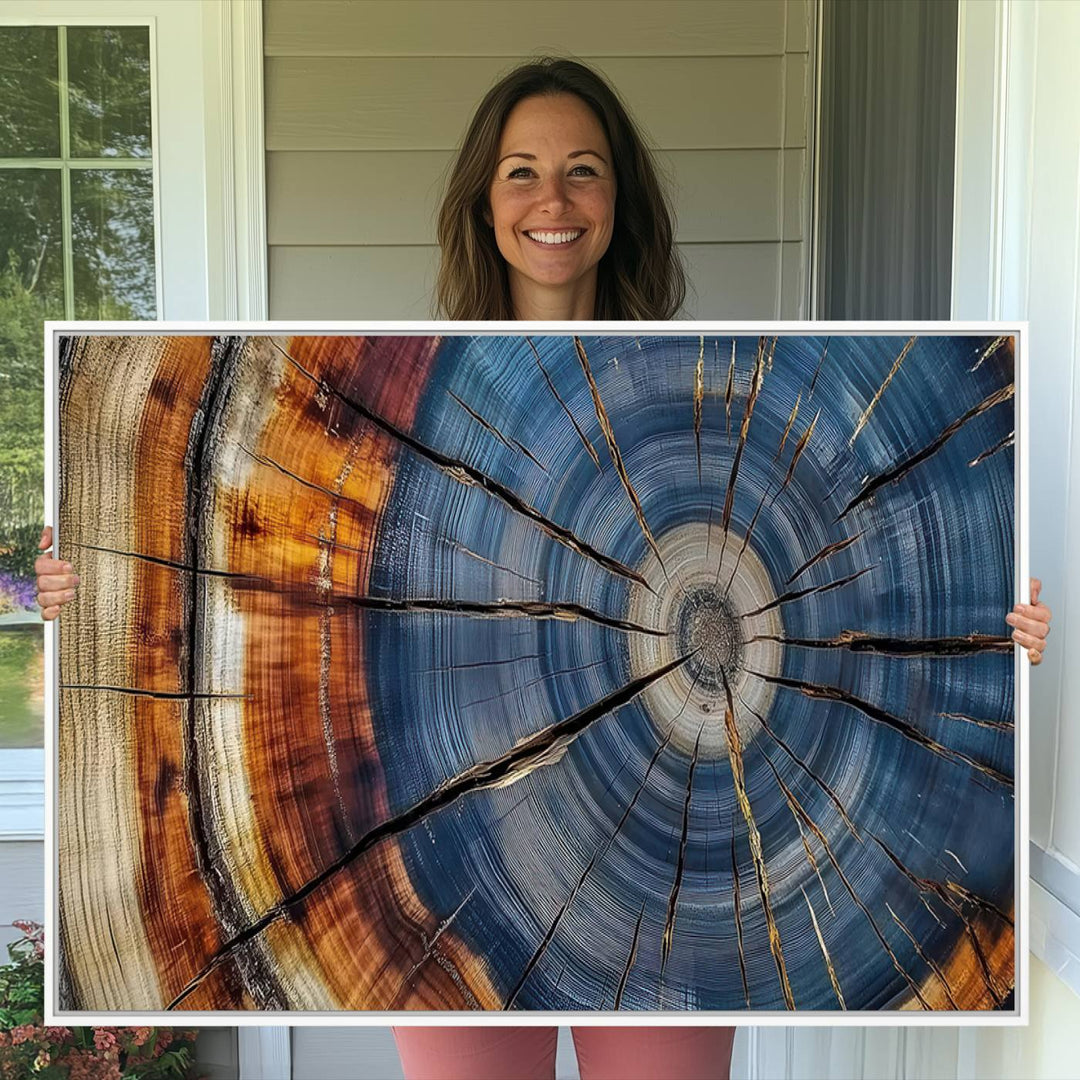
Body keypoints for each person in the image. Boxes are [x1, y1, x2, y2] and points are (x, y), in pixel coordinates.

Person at [36, 56, 1050, 1080]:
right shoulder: (388, 402)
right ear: (484, 201)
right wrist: (91, 591)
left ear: (621, 200)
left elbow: (854, 563)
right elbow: (268, 564)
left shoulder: (719, 387)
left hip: (676, 870)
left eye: (583, 170)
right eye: (521, 171)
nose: (552, 200)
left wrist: (988, 627)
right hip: (451, 857)